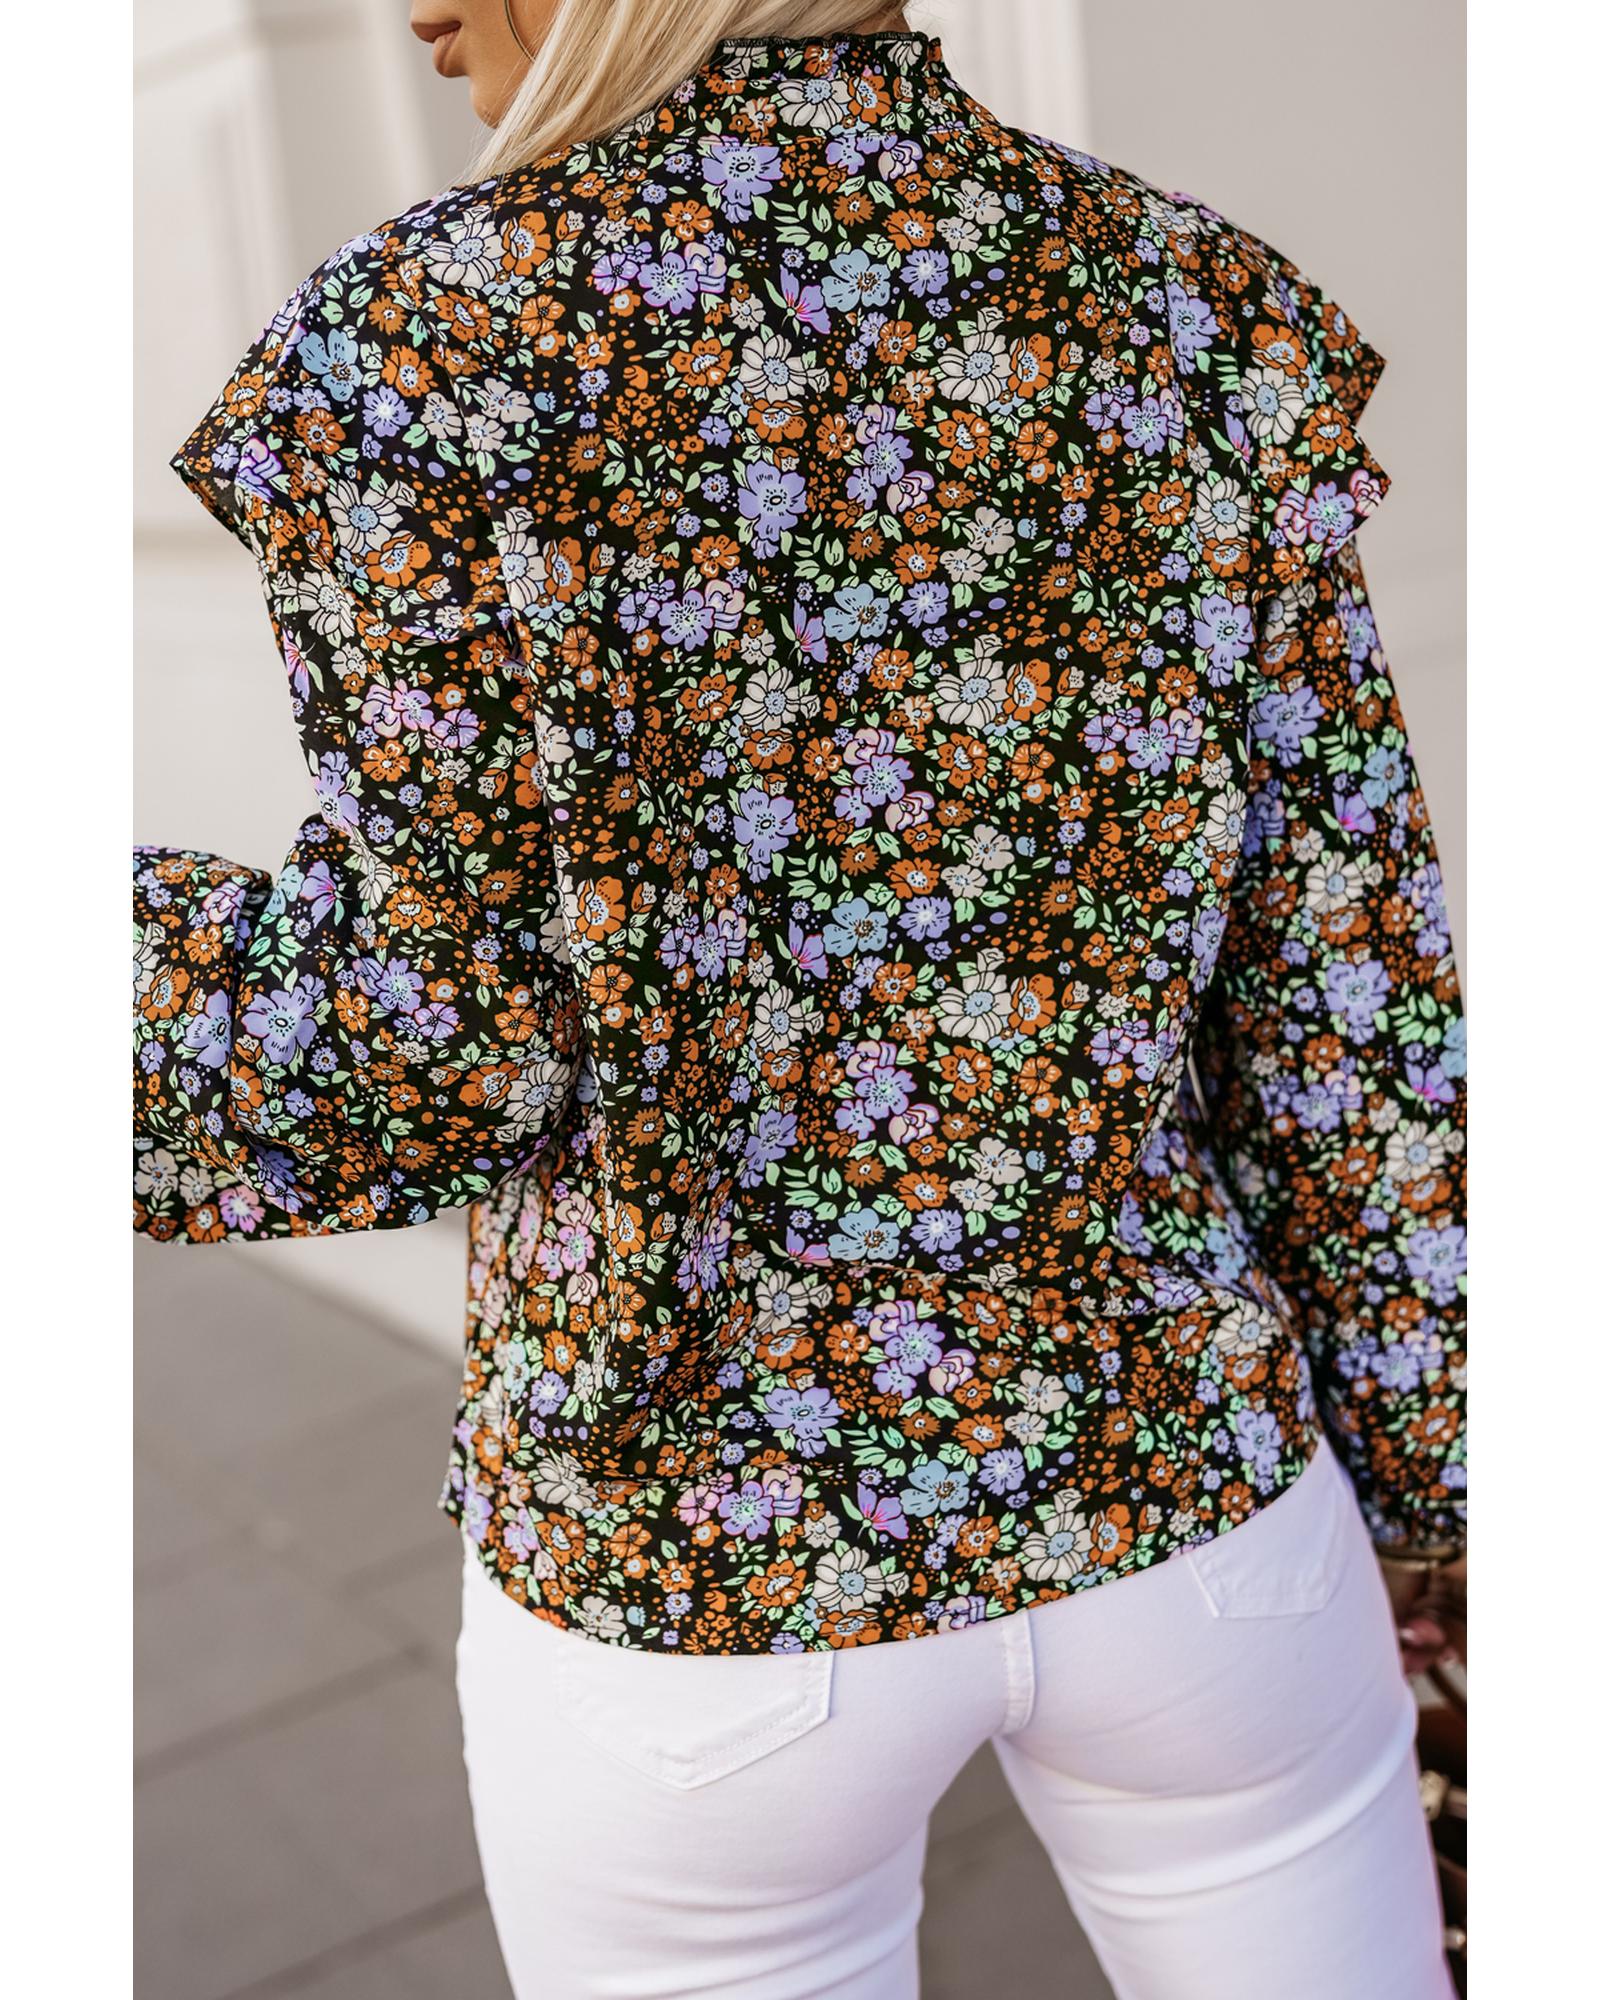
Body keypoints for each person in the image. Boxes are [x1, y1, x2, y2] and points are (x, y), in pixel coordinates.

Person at [133, 2, 1467, 1993]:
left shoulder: (427, 341)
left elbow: (411, 1058)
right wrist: (1438, 1467)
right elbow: (1345, 988)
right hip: (1198, 1510)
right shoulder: (1182, 295)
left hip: (694, 1573)